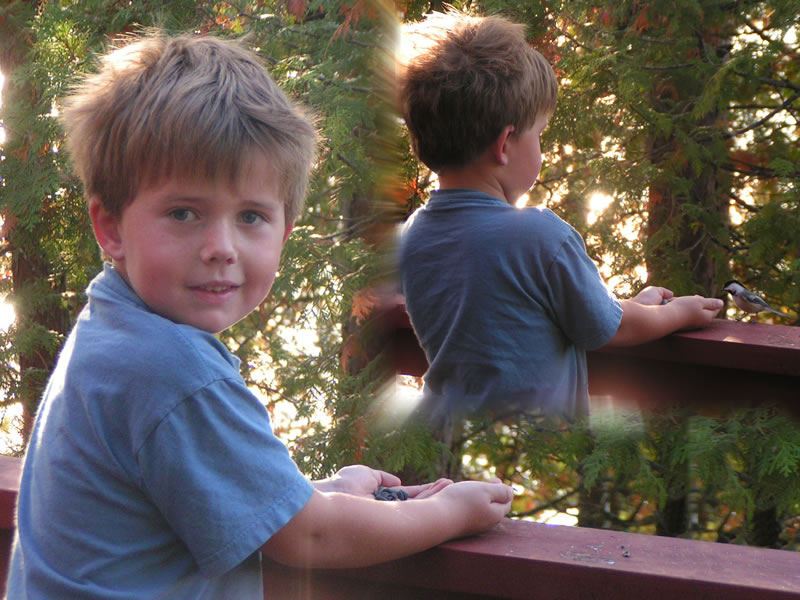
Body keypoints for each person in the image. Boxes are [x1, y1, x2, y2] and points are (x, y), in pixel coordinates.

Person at [6, 32, 513, 599]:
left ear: (284, 233)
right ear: (111, 228)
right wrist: (452, 511)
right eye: (183, 212)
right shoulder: (170, 369)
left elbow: (204, 497)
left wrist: (328, 491)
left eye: (250, 217)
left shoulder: (114, 330)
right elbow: (312, 539)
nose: (220, 246)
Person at [396, 12, 724, 424]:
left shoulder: (412, 235)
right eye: (540, 134)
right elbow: (607, 329)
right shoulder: (539, 235)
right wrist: (680, 313)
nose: (542, 148)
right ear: (504, 145)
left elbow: (518, 312)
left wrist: (626, 306)